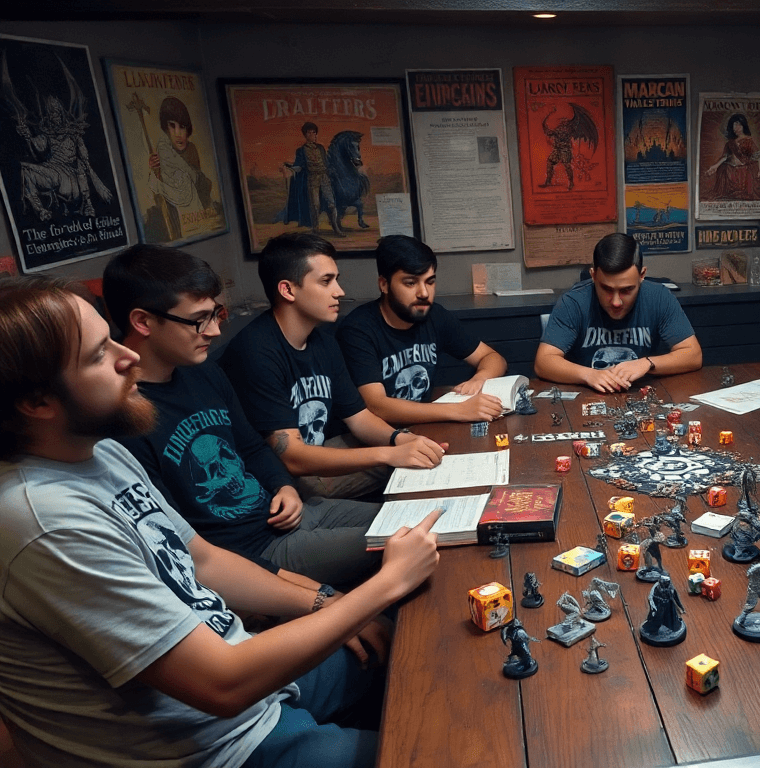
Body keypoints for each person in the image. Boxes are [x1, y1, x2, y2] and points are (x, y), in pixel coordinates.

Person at [0, 274, 442, 768]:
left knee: (419, 649)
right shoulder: (46, 525)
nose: (129, 357)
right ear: (37, 403)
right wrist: (383, 585)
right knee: (438, 752)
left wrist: (324, 602)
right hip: (217, 746)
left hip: (250, 677)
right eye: (100, 354)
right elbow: (222, 685)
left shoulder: (98, 451)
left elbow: (203, 560)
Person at [104, 244, 382, 589]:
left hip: (294, 513)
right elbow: (187, 547)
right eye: (198, 320)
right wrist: (314, 595)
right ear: (143, 321)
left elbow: (251, 447)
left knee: (427, 520)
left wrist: (283, 487)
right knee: (404, 540)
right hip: (259, 553)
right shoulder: (123, 418)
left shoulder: (202, 372)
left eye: (215, 313)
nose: (215, 331)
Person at [220, 233, 446, 500]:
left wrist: (401, 439)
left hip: (317, 454)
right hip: (279, 482)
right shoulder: (255, 351)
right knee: (414, 470)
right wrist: (391, 453)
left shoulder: (322, 342)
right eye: (326, 281)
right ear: (288, 290)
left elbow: (360, 418)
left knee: (431, 455)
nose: (339, 291)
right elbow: (292, 458)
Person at [337, 235, 507, 425]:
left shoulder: (435, 315)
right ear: (384, 284)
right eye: (411, 283)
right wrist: (459, 410)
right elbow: (377, 406)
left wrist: (479, 379)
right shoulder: (358, 329)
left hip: (424, 428)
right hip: (378, 438)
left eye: (430, 281)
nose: (424, 293)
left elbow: (493, 358)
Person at [535, 233, 702, 393]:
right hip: (586, 395)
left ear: (642, 275)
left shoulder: (659, 297)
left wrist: (647, 363)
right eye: (606, 289)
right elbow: (543, 362)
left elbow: (693, 355)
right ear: (593, 276)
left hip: (642, 393)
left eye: (627, 290)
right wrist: (588, 375)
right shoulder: (573, 302)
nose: (616, 302)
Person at [145, 95, 219, 243]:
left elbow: (200, 184)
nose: (178, 133)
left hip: (195, 212)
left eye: (182, 127)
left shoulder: (191, 150)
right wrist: (155, 171)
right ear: (166, 129)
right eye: (172, 126)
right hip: (175, 214)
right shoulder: (162, 154)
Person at [279, 121, 344, 237]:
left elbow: (326, 163)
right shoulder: (301, 150)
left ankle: (336, 228)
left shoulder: (321, 148)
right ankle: (316, 230)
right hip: (312, 179)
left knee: (331, 204)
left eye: (314, 133)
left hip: (324, 178)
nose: (313, 135)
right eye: (309, 133)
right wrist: (291, 168)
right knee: (315, 205)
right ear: (305, 135)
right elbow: (299, 166)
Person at [703, 113, 760, 200]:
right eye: (734, 125)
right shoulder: (730, 143)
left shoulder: (749, 141)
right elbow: (725, 157)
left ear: (743, 125)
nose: (736, 128)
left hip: (743, 172)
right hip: (729, 172)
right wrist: (715, 166)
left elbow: (758, 156)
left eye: (739, 125)